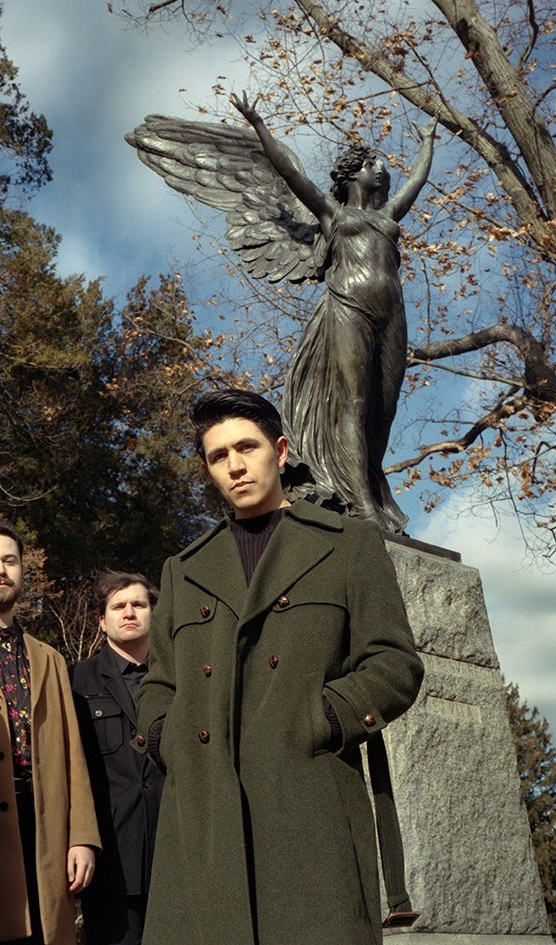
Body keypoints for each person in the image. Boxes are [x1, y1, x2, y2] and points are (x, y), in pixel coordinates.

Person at [135, 389, 425, 945]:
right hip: (203, 815)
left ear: (282, 450)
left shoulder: (348, 544)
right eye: (218, 456)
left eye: (247, 447)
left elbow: (393, 663)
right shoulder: (183, 568)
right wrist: (166, 736)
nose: (235, 465)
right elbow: (158, 683)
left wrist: (319, 720)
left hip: (308, 802)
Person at [232, 92, 437, 535]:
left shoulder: (389, 214)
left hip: (392, 312)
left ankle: (374, 489)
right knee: (355, 402)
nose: (381, 168)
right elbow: (291, 174)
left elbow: (417, 182)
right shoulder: (332, 214)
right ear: (354, 173)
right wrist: (258, 124)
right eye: (373, 163)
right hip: (349, 307)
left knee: (384, 409)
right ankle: (361, 504)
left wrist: (428, 141)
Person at [0, 518, 101, 945]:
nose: (0, 570)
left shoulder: (49, 658)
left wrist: (83, 838)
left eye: (9, 561)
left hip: (47, 829)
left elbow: (73, 753)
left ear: (22, 570)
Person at [70, 571, 166, 945]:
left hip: (175, 855)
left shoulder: (181, 680)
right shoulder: (75, 682)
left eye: (138, 604)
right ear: (101, 620)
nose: (129, 612)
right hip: (110, 861)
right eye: (118, 606)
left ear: (154, 613)